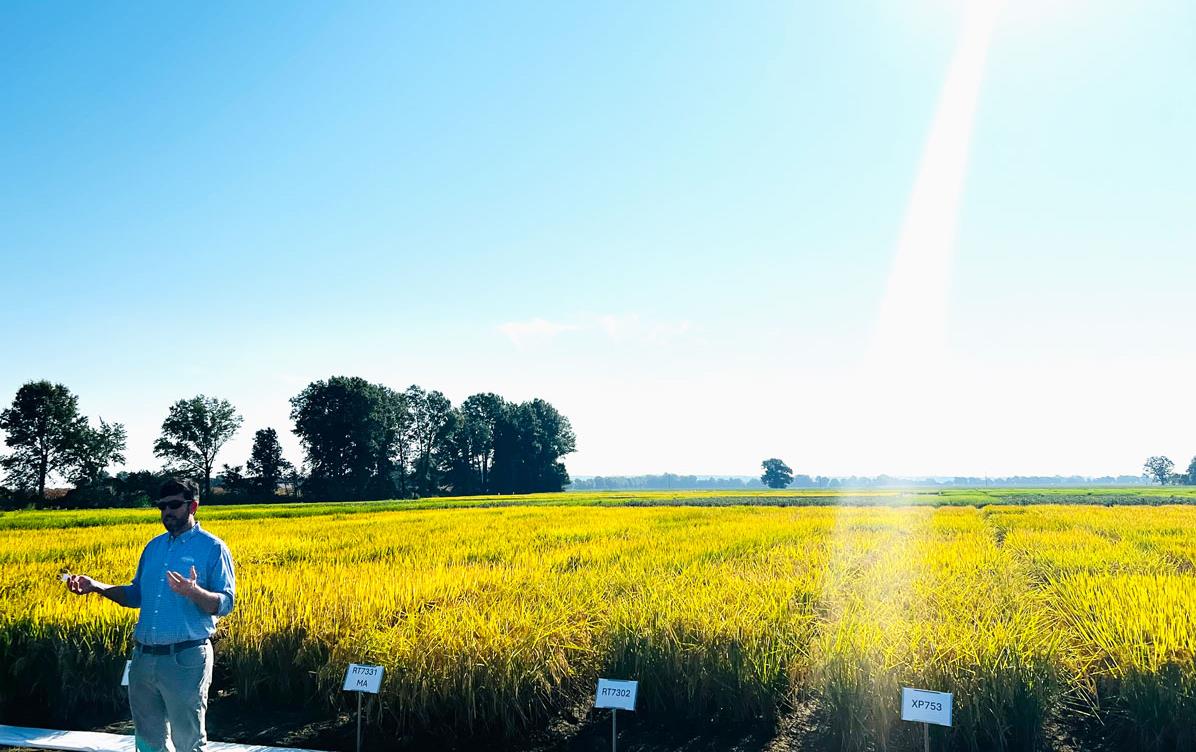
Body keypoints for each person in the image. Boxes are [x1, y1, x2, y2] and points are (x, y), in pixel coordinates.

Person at [67, 478, 236, 752]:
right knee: (147, 742)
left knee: (188, 742)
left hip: (185, 659)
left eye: (174, 506)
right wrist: (96, 586)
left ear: (192, 506)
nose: (167, 512)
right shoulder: (153, 548)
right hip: (143, 659)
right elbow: (135, 596)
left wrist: (194, 592)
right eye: (162, 507)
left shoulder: (213, 548)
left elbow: (226, 603)